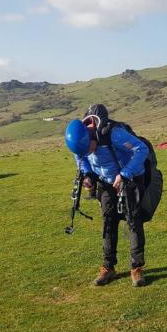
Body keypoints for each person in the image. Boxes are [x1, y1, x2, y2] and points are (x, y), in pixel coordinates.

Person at [67, 104, 149, 287]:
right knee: (108, 221)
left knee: (133, 221)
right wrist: (87, 175)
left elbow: (141, 149)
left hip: (128, 179)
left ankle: (136, 267)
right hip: (105, 183)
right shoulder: (79, 141)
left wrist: (125, 173)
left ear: (92, 136)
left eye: (90, 149)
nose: (90, 153)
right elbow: (80, 160)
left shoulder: (115, 134)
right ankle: (108, 267)